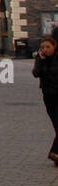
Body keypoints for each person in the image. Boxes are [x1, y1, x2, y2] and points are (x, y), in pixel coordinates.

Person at [32, 35, 58, 166]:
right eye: (43, 47)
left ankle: (55, 153)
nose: (45, 49)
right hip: (49, 96)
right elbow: (36, 73)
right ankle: (55, 154)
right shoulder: (40, 59)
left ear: (54, 46)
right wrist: (41, 61)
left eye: (48, 47)